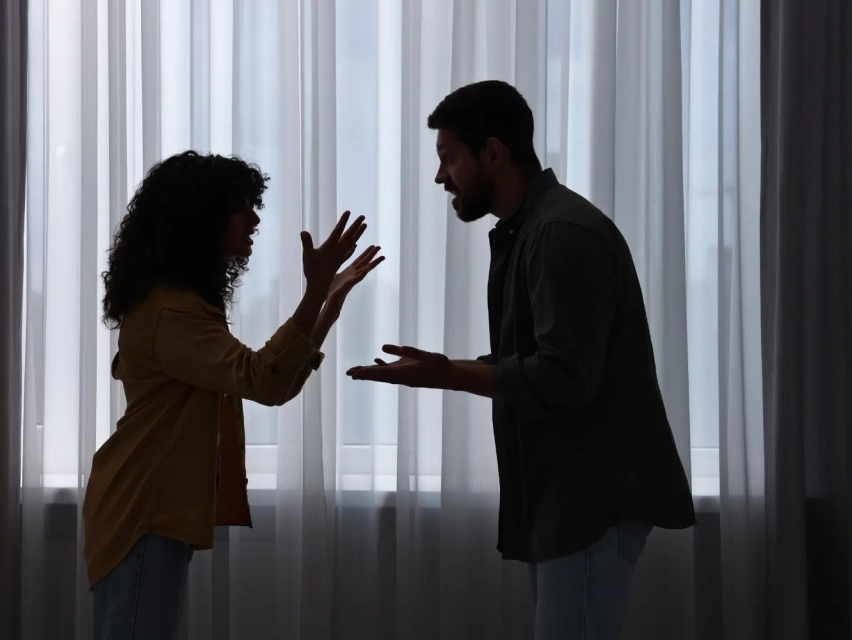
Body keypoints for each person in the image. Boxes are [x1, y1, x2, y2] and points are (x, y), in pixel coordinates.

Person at [347, 80, 695, 640]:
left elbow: (564, 376)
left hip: (590, 503)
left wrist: (449, 375)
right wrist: (443, 371)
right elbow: (545, 360)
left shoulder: (558, 233)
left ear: (493, 153)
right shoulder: (533, 229)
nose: (441, 177)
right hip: (571, 503)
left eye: (448, 157)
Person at [84, 150, 384, 640]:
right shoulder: (170, 313)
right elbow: (262, 379)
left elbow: (274, 384)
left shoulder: (178, 305)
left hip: (149, 509)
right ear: (202, 217)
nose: (255, 218)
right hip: (142, 509)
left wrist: (325, 303)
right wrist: (314, 294)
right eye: (242, 206)